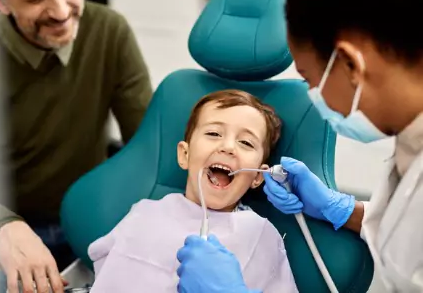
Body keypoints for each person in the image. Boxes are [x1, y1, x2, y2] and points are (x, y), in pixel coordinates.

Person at [175, 0, 423, 292]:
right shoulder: (412, 139)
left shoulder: (260, 241)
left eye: (310, 79)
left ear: (351, 64)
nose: (312, 96)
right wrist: (343, 211)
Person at [0, 0, 153, 292]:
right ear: (1, 1)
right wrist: (5, 226)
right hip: (9, 227)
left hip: (90, 218)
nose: (61, 11)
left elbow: (148, 146)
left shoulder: (109, 30)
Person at [86, 90, 298, 293]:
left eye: (245, 142)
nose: (228, 147)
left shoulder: (260, 234)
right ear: (184, 155)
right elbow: (103, 267)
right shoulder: (144, 213)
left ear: (258, 176)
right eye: (214, 133)